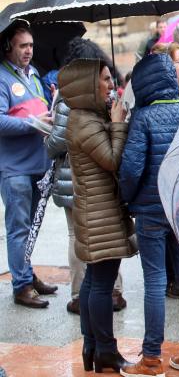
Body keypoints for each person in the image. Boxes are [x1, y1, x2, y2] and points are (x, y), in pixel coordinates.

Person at [118, 53, 179, 376]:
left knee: (155, 279)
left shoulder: (143, 118)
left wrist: (127, 200)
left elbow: (130, 170)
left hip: (151, 211)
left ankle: (152, 357)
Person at [58, 58, 137, 373]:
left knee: (94, 279)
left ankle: (92, 348)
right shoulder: (85, 122)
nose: (111, 84)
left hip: (97, 209)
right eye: (105, 79)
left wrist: (113, 119)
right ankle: (105, 350)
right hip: (100, 212)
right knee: (102, 282)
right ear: (88, 85)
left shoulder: (87, 117)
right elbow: (113, 160)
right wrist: (117, 124)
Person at [45, 38, 127, 315]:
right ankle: (111, 290)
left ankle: (82, 293)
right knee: (103, 234)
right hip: (93, 178)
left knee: (80, 236)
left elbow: (55, 144)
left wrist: (48, 134)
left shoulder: (68, 99)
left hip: (74, 179)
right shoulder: (94, 101)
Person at [0, 22, 57, 309]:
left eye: (31, 45)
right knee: (19, 228)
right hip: (15, 168)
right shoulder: (1, 76)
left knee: (31, 227)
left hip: (38, 163)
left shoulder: (34, 74)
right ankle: (21, 286)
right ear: (9, 46)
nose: (28, 51)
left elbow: (40, 108)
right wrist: (33, 123)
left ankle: (26, 273)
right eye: (23, 46)